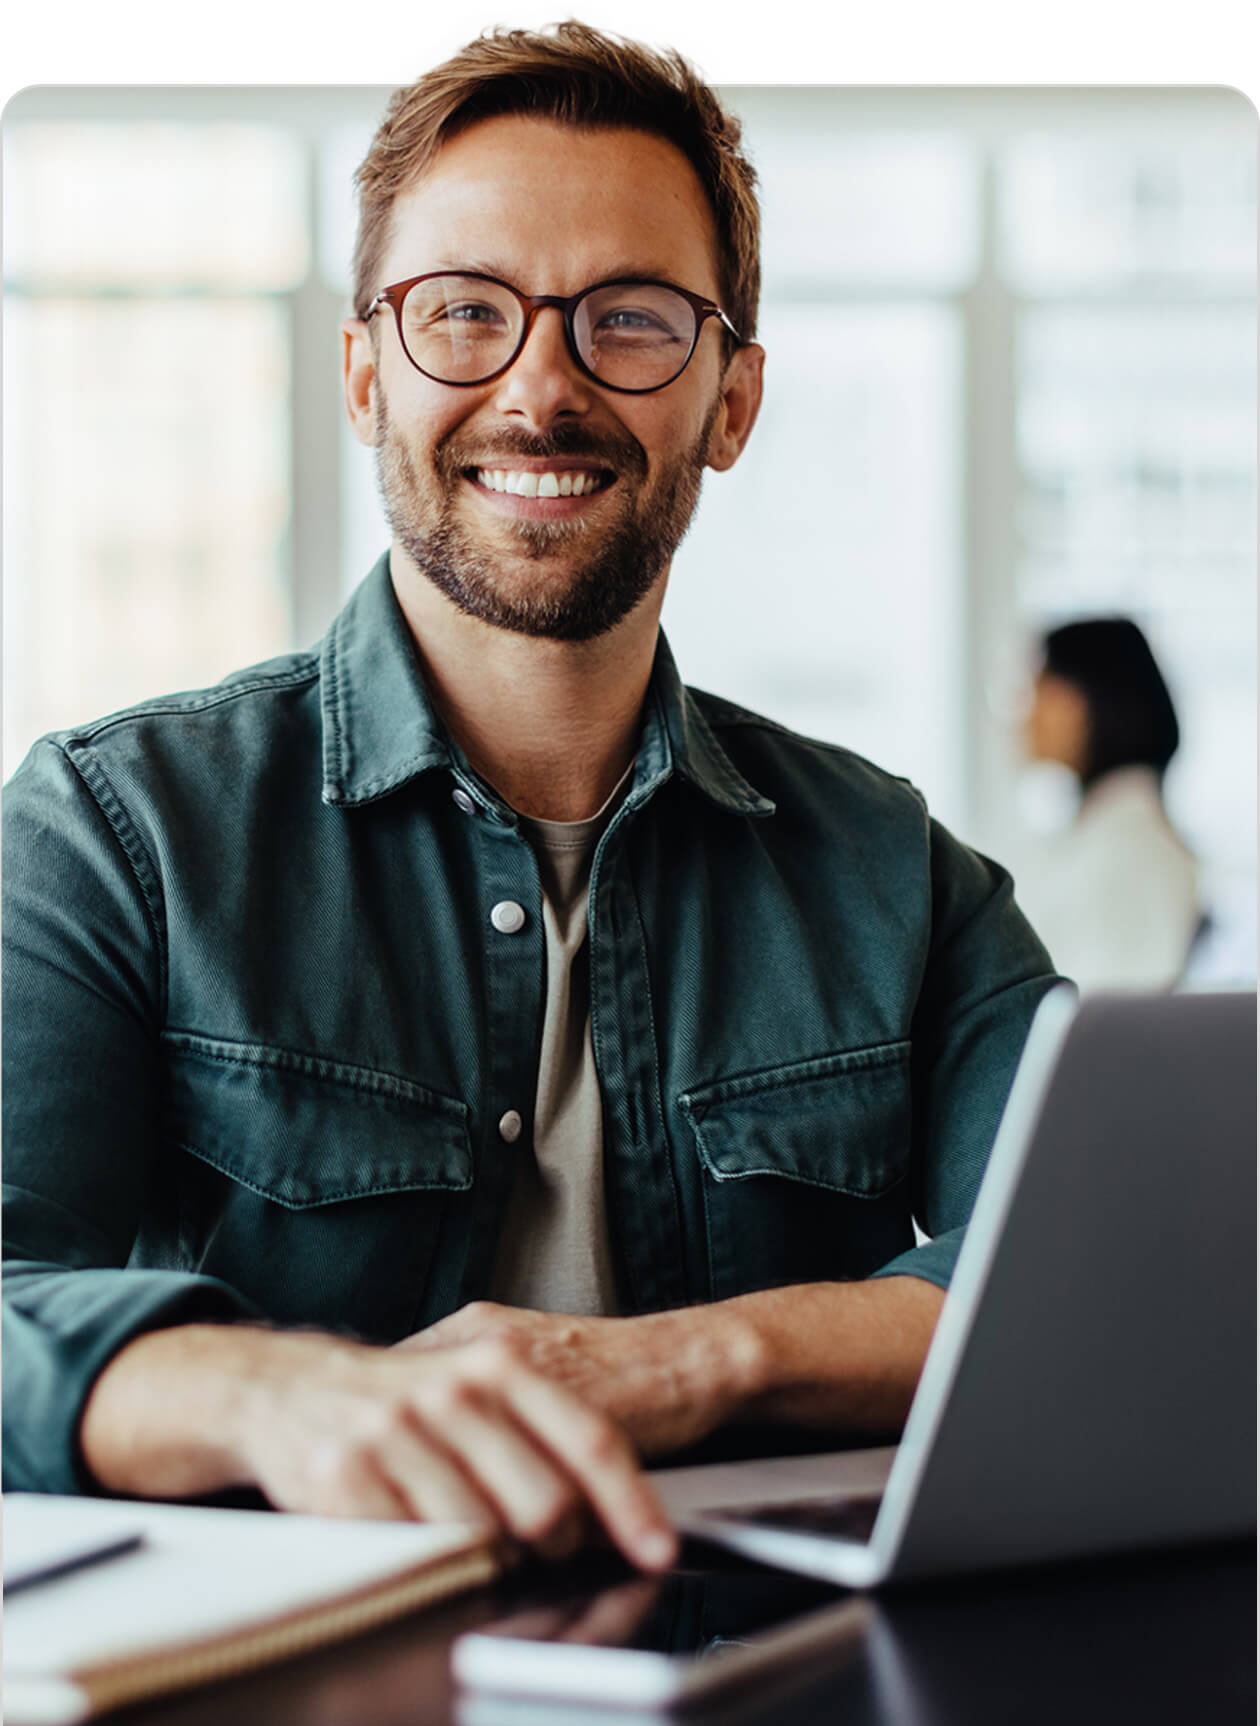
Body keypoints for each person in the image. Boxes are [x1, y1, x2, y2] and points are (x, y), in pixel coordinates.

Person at [1, 23, 1059, 1569]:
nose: (541, 389)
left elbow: (1096, 1272)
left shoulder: (898, 873)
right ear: (365, 373)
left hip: (767, 1701)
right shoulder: (117, 832)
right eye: (464, 315)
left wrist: (692, 1361)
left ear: (733, 400)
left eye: (628, 321)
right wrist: (265, 1393)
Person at [1018, 617, 1201, 992]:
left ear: (1082, 704)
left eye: (1039, 688)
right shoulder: (1108, 832)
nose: (1025, 713)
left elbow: (1099, 1024)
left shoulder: (1132, 851)